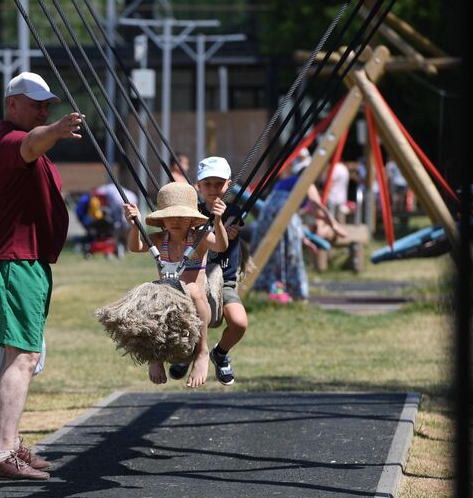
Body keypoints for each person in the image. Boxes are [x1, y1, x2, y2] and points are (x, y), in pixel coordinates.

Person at [0, 71, 84, 480]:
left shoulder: (21, 143)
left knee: (18, 356)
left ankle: (11, 442)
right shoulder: (9, 143)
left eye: (47, 105)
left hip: (23, 261)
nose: (43, 109)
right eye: (36, 103)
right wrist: (55, 128)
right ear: (11, 105)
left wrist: (49, 128)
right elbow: (33, 142)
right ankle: (2, 454)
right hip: (12, 262)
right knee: (23, 357)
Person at [123, 181, 228, 388]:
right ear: (162, 220)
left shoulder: (199, 238)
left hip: (197, 303)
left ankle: (202, 351)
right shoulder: (159, 239)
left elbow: (221, 245)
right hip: (168, 305)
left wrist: (218, 221)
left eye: (182, 216)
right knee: (148, 294)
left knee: (191, 288)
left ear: (192, 219)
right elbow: (135, 247)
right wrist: (134, 227)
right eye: (171, 216)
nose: (176, 221)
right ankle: (155, 357)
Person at [251, 158, 346, 301]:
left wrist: (305, 240)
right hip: (283, 213)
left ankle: (269, 287)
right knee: (290, 254)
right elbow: (317, 206)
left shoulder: (286, 182)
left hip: (267, 217)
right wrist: (334, 225)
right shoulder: (306, 181)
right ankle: (294, 291)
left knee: (271, 254)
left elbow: (293, 219)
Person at [195, 156, 248, 386]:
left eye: (219, 184)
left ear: (228, 184)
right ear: (198, 186)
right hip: (196, 278)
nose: (213, 189)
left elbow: (224, 242)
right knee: (194, 317)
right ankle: (189, 353)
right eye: (208, 184)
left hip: (224, 279)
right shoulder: (192, 213)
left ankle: (220, 353)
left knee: (239, 323)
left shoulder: (234, 212)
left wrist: (222, 223)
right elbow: (208, 242)